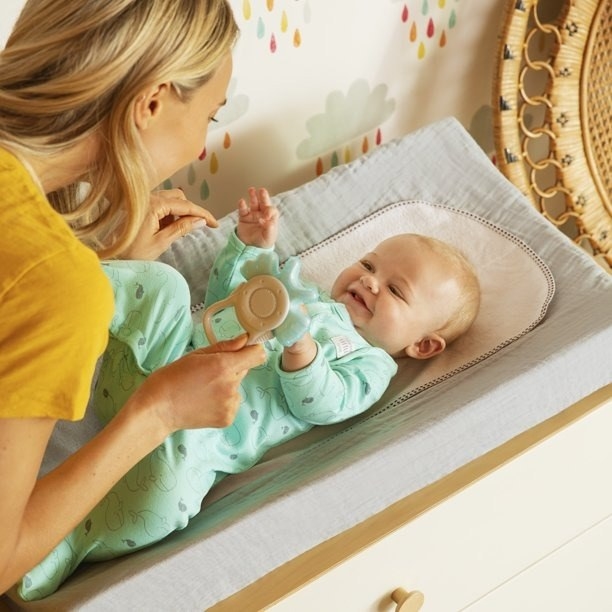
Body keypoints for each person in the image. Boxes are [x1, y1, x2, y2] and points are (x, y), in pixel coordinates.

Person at [17, 187, 481, 599]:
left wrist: (301, 349)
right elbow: (230, 298)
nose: (368, 281)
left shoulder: (371, 364)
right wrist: (251, 246)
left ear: (422, 345)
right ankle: (60, 287)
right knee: (165, 287)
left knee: (169, 503)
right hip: (163, 359)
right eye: (368, 263)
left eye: (395, 290)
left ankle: (70, 543)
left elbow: (323, 404)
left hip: (199, 436)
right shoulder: (311, 297)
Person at [0, 0, 267, 596]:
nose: (202, 147)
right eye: (210, 117)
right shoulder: (56, 285)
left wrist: (98, 270)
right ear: (151, 102)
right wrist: (158, 413)